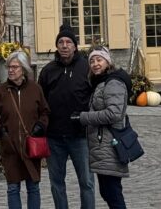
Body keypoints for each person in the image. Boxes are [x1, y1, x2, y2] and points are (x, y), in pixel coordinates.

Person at [39, 23, 95, 209]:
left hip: (80, 136)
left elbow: (98, 95)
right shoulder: (48, 71)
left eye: (68, 42)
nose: (64, 45)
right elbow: (41, 102)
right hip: (54, 137)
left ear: (75, 46)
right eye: (61, 42)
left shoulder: (87, 68)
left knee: (86, 182)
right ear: (57, 46)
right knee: (57, 183)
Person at [0, 50, 51, 209]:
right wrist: (0, 131)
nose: (10, 70)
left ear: (23, 69)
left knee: (33, 187)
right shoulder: (0, 91)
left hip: (31, 147)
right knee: (13, 188)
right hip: (10, 147)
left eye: (15, 67)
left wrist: (41, 126)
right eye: (9, 66)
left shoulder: (35, 89)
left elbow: (45, 112)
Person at [74, 47, 131, 209]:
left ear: (108, 62)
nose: (95, 64)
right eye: (92, 61)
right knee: (108, 192)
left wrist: (84, 117)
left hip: (110, 145)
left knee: (113, 194)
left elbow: (114, 113)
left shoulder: (113, 82)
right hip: (102, 146)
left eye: (99, 60)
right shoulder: (100, 82)